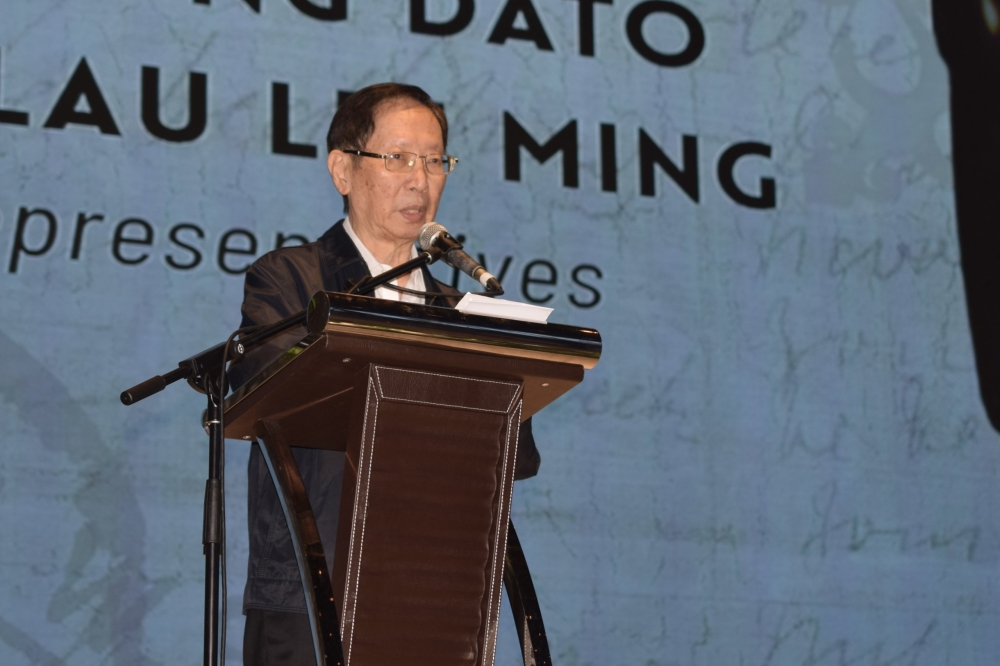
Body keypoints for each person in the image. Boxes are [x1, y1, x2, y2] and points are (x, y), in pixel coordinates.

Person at [229, 83, 541, 666]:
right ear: (343, 169)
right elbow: (277, 397)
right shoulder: (291, 281)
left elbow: (515, 456)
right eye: (397, 158)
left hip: (437, 597)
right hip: (311, 588)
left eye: (434, 161)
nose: (419, 179)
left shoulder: (458, 314)